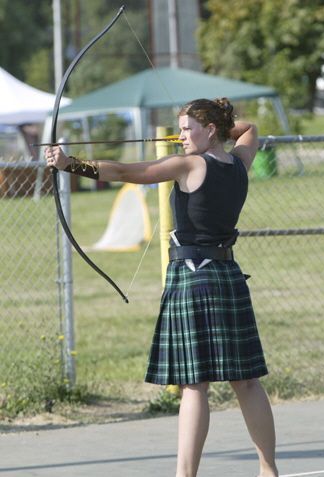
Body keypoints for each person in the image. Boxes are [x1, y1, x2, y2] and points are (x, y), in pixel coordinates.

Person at [45, 97, 279, 477]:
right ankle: (268, 470)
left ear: (211, 130)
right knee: (246, 381)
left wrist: (71, 164)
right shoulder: (239, 162)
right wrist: (207, 132)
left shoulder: (190, 163)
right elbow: (248, 129)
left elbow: (125, 171)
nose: (181, 136)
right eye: (180, 130)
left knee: (194, 385)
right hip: (227, 275)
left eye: (187, 129)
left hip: (192, 277)